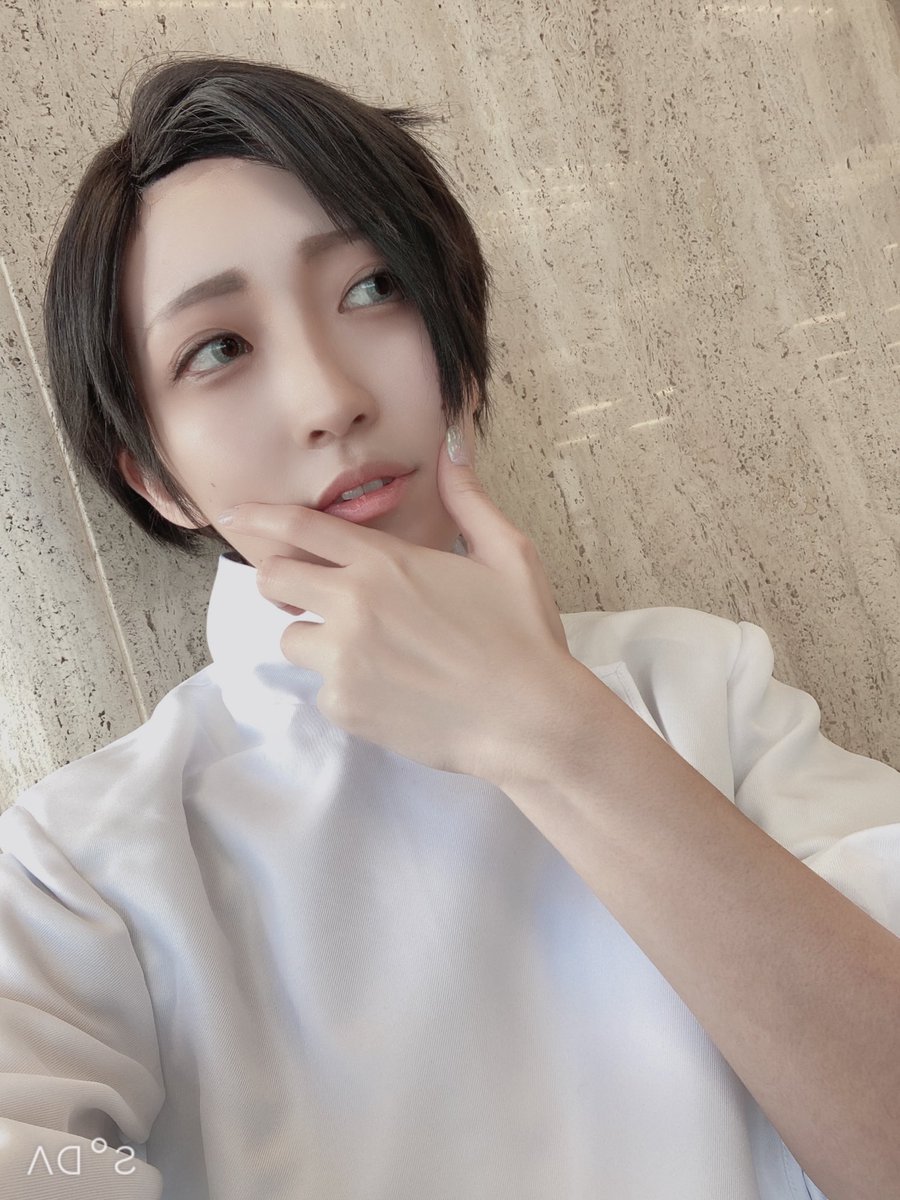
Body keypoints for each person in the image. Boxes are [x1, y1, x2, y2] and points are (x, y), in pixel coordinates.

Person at [1, 52, 898, 1200]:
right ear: (155, 478)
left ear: (458, 350)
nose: (331, 400)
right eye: (218, 349)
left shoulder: (703, 687)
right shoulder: (87, 867)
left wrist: (558, 735)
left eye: (374, 288)